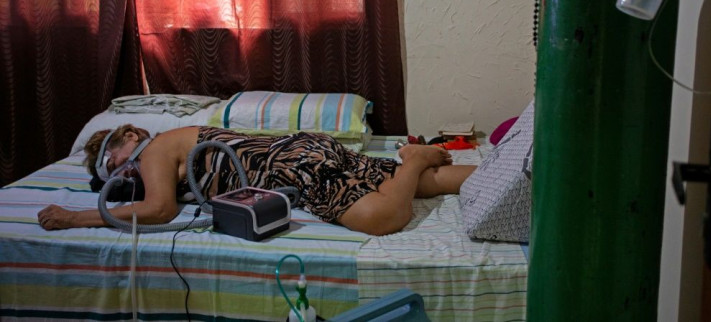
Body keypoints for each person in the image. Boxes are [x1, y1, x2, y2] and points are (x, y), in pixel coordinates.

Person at [37, 125, 476, 236]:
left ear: (130, 136)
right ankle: (519, 179)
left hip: (287, 166)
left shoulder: (153, 149)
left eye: (111, 160)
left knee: (380, 217)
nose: (117, 172)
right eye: (109, 174)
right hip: (300, 149)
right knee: (432, 185)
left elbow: (159, 210)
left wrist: (77, 218)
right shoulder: (174, 148)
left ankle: (413, 158)